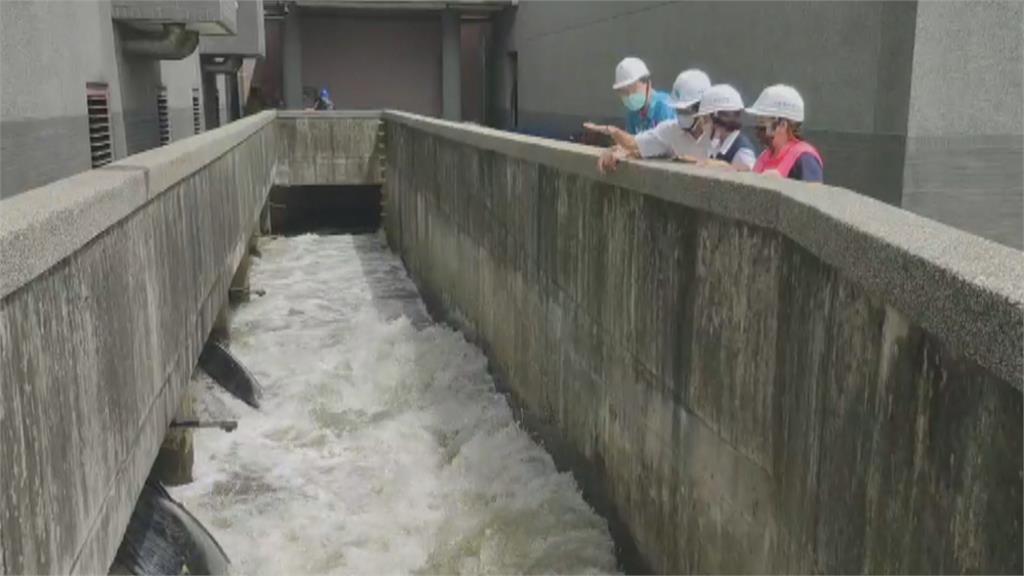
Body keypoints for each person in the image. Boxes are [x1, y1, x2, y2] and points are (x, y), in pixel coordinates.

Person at [585, 69, 711, 174]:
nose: (681, 115)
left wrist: (702, 162)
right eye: (678, 109)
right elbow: (634, 143)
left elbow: (729, 169)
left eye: (687, 110)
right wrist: (613, 135)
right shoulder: (670, 130)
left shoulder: (720, 132)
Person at [745, 84, 823, 182]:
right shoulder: (764, 156)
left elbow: (813, 195)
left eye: (762, 122)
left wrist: (782, 186)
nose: (758, 128)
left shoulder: (804, 159)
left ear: (782, 125)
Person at [687, 84, 757, 171]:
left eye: (705, 119)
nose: (703, 125)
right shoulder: (717, 144)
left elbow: (749, 175)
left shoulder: (742, 153)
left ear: (717, 120)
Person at [611, 57, 675, 134]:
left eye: (633, 89)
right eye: (624, 92)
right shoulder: (633, 115)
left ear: (648, 83)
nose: (629, 96)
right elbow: (631, 143)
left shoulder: (665, 108)